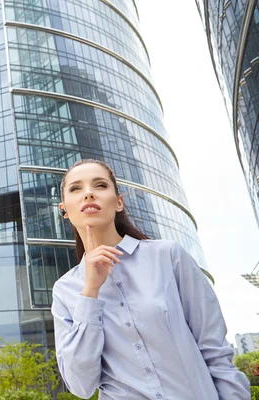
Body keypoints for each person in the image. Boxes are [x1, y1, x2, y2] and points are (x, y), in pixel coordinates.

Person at [52, 159, 250, 399]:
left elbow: (215, 352)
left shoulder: (168, 256)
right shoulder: (65, 290)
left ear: (118, 202)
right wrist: (90, 290)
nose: (88, 194)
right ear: (64, 209)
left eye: (100, 185)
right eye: (76, 188)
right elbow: (81, 386)